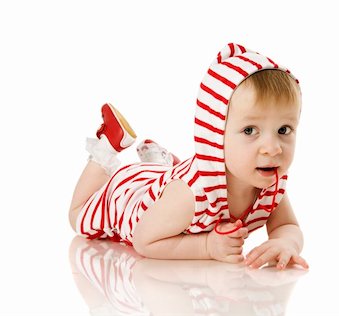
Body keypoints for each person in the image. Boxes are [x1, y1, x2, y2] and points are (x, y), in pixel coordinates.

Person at [68, 43, 309, 270]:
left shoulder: (270, 182)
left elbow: (287, 226)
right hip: (129, 195)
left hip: (168, 186)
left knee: (168, 183)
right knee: (78, 217)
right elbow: (144, 240)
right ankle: (108, 145)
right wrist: (206, 246)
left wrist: (286, 243)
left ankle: (161, 164)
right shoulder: (189, 196)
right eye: (249, 131)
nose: (273, 148)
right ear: (214, 137)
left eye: (284, 130)